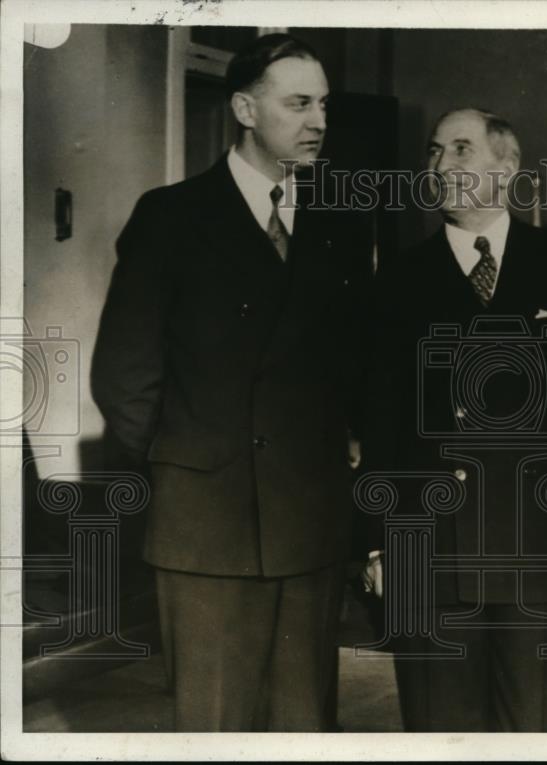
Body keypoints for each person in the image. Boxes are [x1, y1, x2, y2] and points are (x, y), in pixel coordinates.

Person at [91, 34, 373, 731]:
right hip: (207, 521)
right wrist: (193, 461)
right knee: (214, 726)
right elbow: (123, 377)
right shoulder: (171, 216)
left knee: (304, 724)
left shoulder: (339, 221)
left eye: (324, 105)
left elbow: (356, 365)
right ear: (246, 107)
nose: (319, 122)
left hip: (308, 519)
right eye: (299, 103)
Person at [362, 108, 547, 731]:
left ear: (507, 167)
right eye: (434, 152)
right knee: (441, 732)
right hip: (430, 551)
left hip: (539, 549)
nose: (441, 166)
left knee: (531, 731)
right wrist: (379, 541)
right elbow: (380, 422)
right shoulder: (398, 280)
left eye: (460, 150)